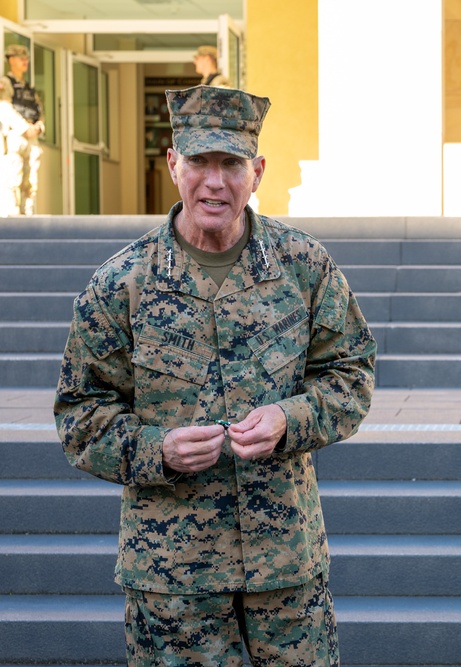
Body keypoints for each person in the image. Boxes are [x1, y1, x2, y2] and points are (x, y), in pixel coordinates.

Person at [54, 84, 377, 666]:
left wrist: (290, 418)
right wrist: (158, 450)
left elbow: (351, 374)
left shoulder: (304, 267)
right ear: (174, 164)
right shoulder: (120, 285)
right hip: (173, 576)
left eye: (230, 163)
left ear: (257, 171)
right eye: (200, 161)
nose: (214, 181)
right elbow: (81, 417)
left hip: (286, 567)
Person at [3, 44, 44, 215]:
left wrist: (39, 127)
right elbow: (4, 108)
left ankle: (28, 217)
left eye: (26, 58)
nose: (25, 62)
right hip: (16, 136)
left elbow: (39, 111)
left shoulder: (28, 88)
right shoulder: (5, 83)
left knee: (31, 182)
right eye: (21, 58)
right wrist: (24, 129)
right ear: (11, 60)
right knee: (13, 178)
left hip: (31, 137)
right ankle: (13, 221)